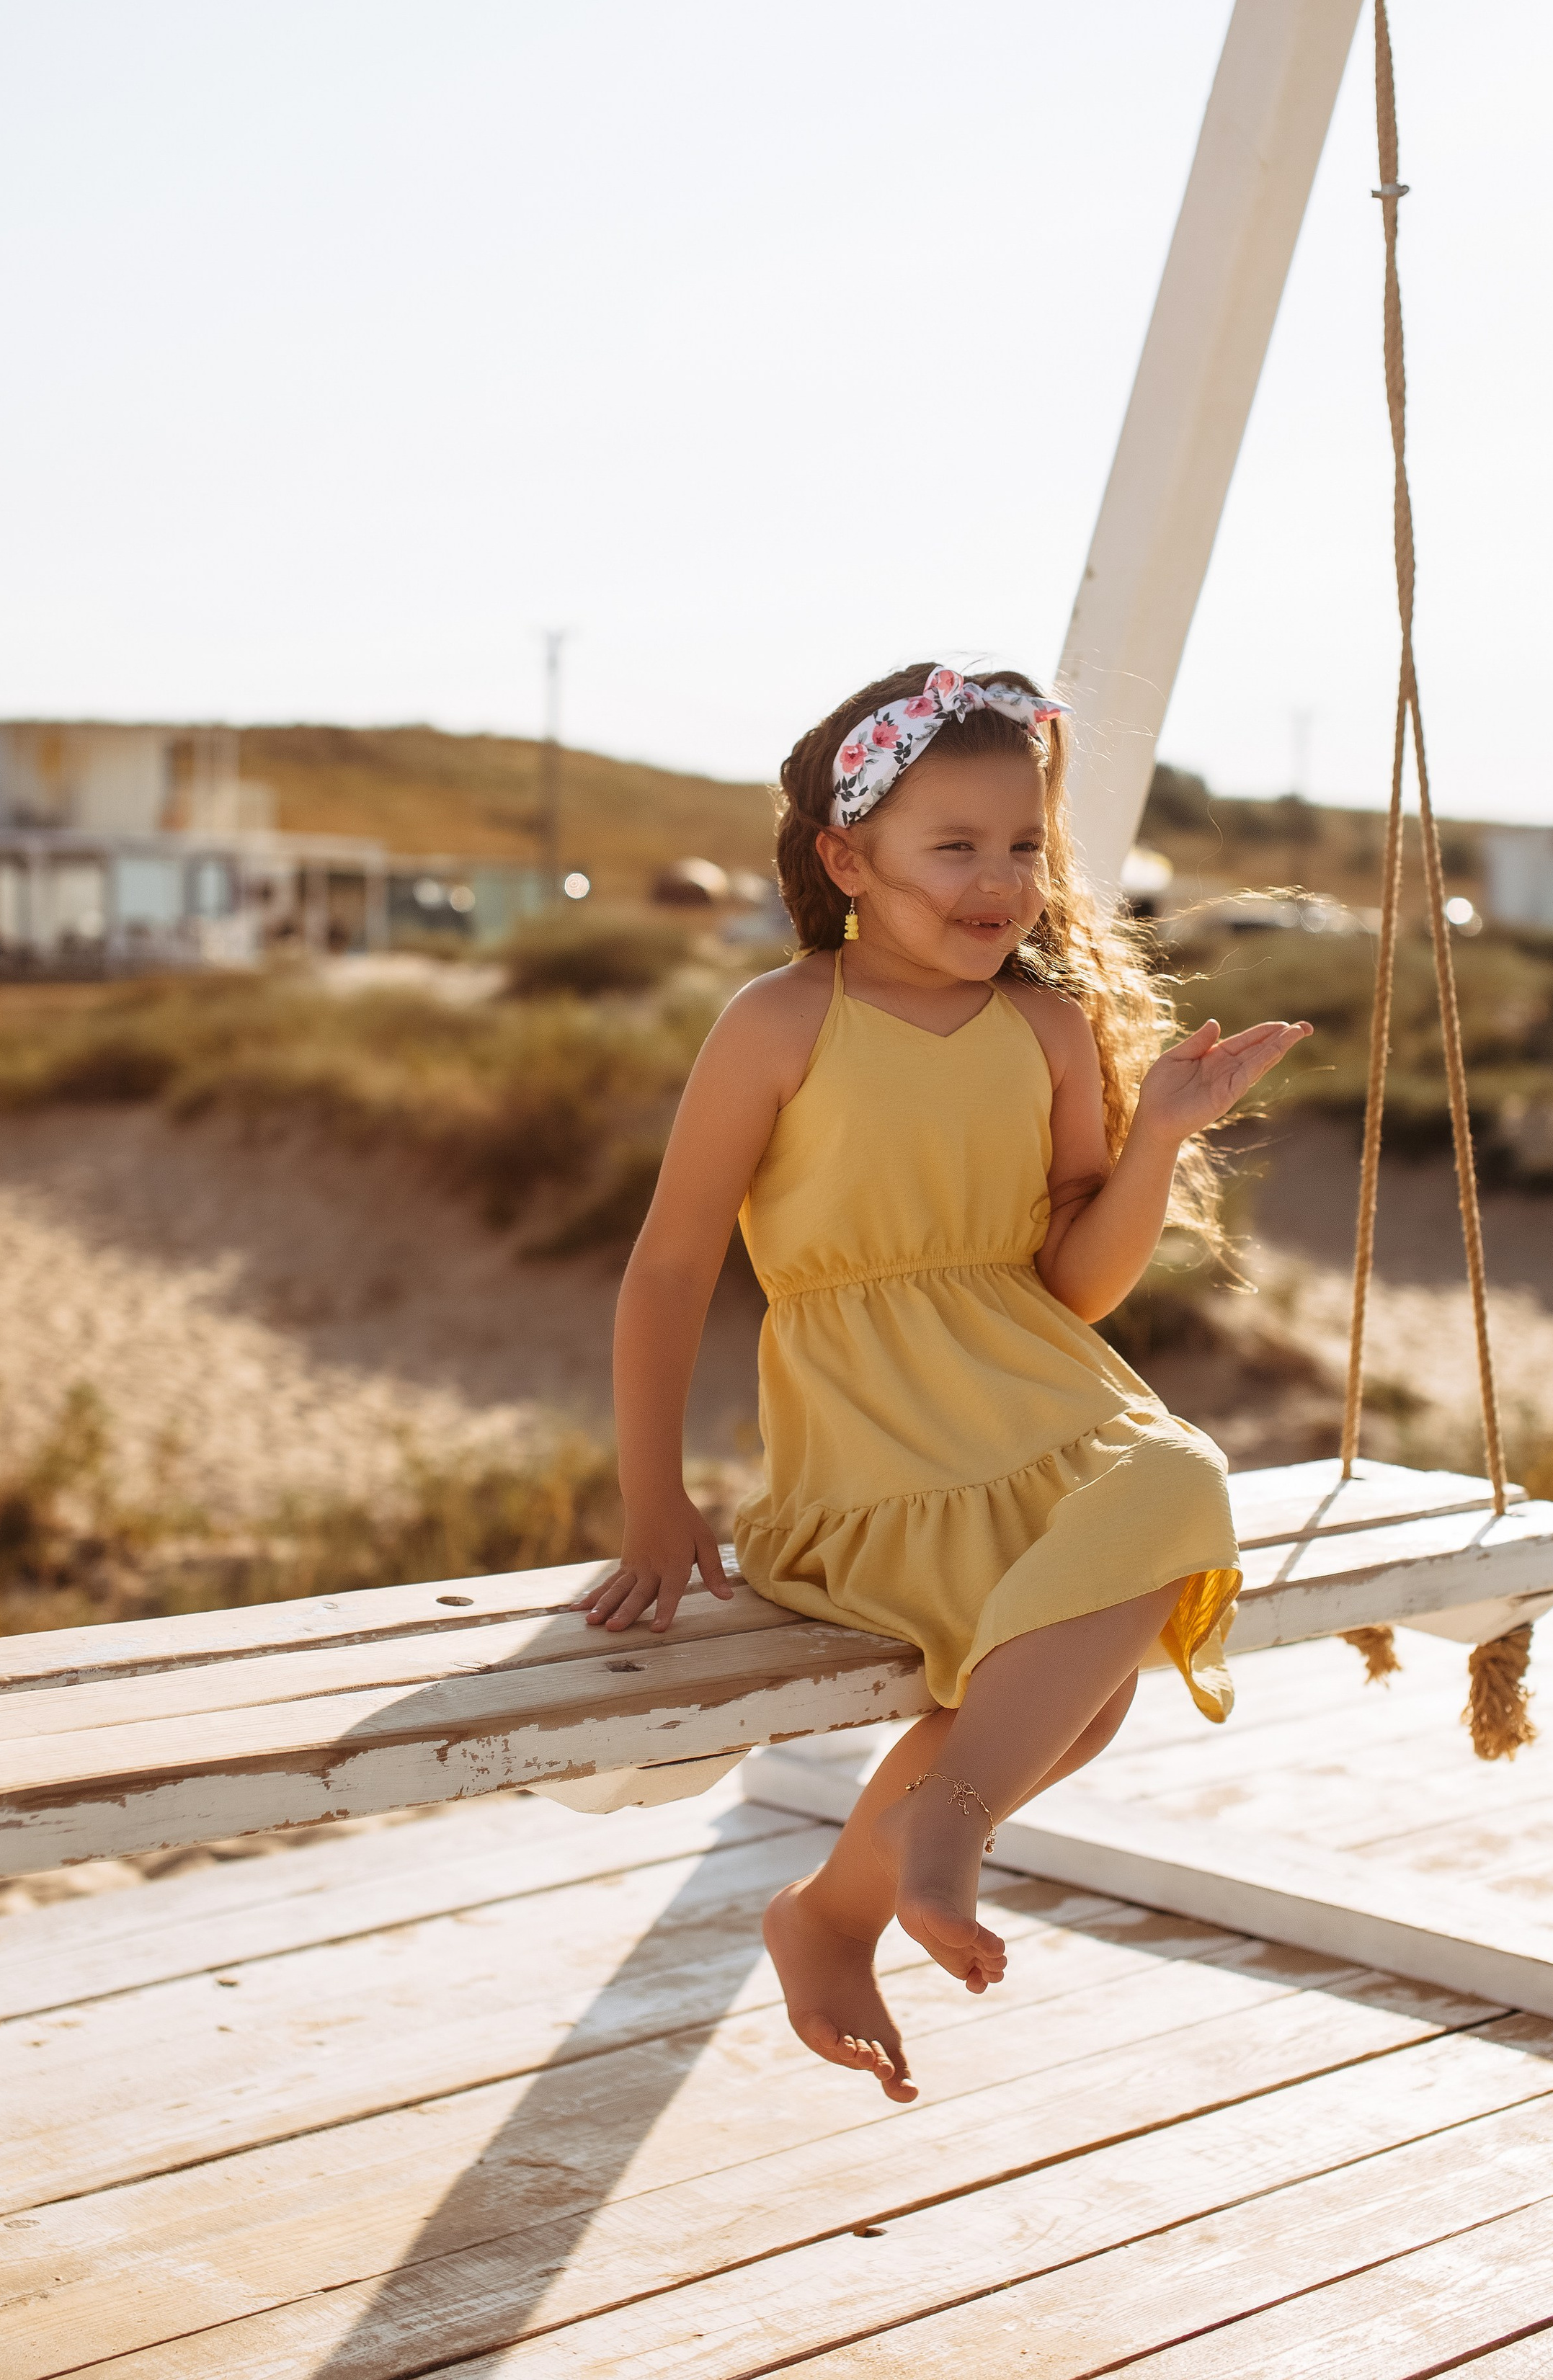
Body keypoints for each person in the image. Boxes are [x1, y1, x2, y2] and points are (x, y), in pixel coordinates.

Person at [582, 662, 1309, 2102]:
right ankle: (916, 1851)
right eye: (954, 845)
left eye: (1025, 845)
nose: (1000, 880)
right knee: (1096, 1651)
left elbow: (1068, 1290)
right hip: (871, 1440)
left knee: (1098, 1639)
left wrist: (1155, 1135)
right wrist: (652, 1497)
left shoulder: (1042, 1030)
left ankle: (835, 1905)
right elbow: (667, 1269)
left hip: (1036, 1404)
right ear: (847, 859)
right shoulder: (778, 1023)